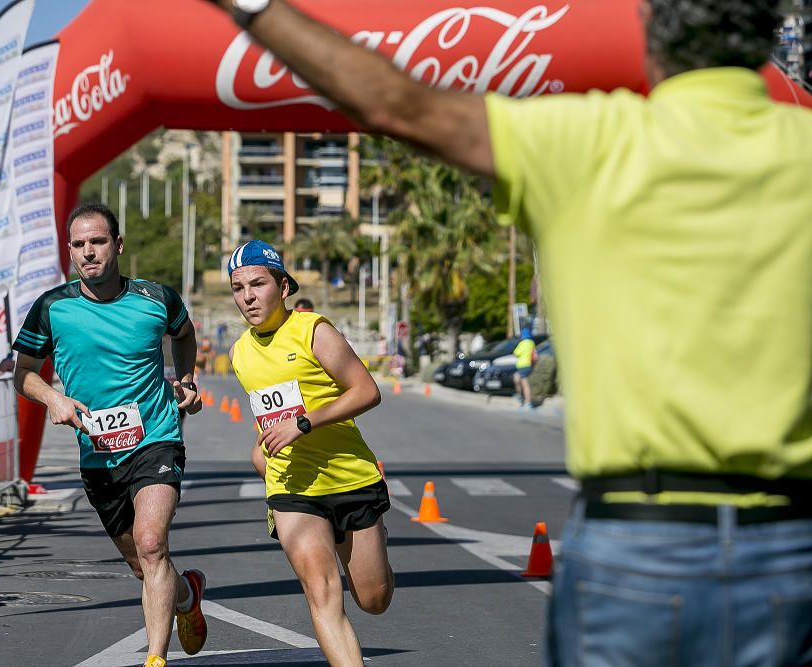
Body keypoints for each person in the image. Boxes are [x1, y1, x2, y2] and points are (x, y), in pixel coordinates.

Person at [202, 1, 812, 664]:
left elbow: (394, 104)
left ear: (650, 38)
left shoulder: (590, 138)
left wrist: (255, 8)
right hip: (792, 538)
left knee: (369, 594)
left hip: (637, 535)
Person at [13, 202, 206, 667]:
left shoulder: (156, 298)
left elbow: (184, 334)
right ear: (70, 252)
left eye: (97, 242)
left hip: (155, 436)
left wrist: (186, 379)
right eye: (78, 245)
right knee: (142, 564)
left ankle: (155, 659)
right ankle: (186, 595)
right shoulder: (53, 307)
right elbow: (22, 373)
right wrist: (53, 399)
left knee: (152, 542)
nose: (88, 252)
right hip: (98, 451)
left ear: (117, 245)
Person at [227, 240, 394, 666]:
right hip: (292, 487)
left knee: (374, 600)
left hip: (349, 477)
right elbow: (269, 415)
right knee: (321, 593)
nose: (247, 296)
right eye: (238, 287)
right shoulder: (240, 352)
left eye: (258, 284)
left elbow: (367, 391)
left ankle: (374, 542)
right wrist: (260, 447)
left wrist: (305, 423)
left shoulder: (313, 330)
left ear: (283, 287)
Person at [512, 328, 536, 409]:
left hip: (523, 366)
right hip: (528, 365)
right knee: (516, 378)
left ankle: (528, 403)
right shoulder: (531, 343)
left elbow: (515, 353)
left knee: (525, 385)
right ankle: (520, 396)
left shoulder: (522, 343)